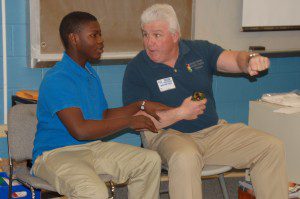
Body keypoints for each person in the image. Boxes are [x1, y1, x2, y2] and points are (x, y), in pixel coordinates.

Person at [122, 4, 288, 199]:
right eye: (145, 34)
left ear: (175, 36)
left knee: (270, 146)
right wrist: (180, 112)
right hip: (166, 135)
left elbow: (235, 59)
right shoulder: (137, 68)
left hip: (213, 132)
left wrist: (250, 59)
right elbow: (138, 121)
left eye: (157, 35)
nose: (149, 42)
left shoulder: (199, 51)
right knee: (186, 157)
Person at [31, 11, 168, 199]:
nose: (100, 40)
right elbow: (80, 130)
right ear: (74, 39)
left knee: (149, 160)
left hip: (92, 148)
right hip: (56, 154)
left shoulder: (89, 73)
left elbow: (103, 116)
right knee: (95, 192)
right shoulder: (58, 78)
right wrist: (129, 121)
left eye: (100, 34)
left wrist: (140, 106)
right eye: (93, 35)